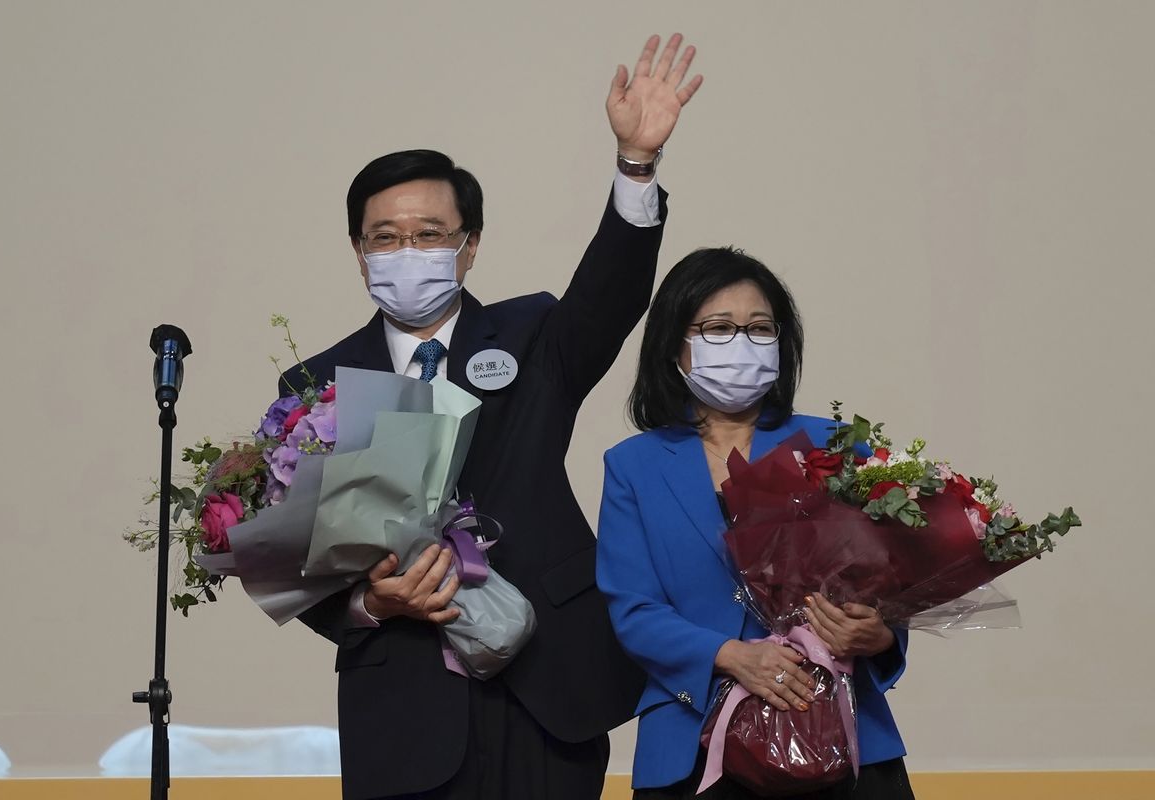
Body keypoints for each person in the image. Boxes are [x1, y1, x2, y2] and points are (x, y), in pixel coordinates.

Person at [279, 34, 703, 800]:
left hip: (548, 683)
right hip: (403, 698)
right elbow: (297, 562)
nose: (409, 252)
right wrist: (372, 601)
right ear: (359, 252)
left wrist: (635, 168)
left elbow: (609, 297)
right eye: (387, 238)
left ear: (469, 247)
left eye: (431, 234)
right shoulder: (314, 385)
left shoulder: (533, 335)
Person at [596, 247, 915, 799]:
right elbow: (633, 608)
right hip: (692, 745)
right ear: (676, 342)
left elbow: (886, 583)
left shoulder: (836, 446)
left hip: (838, 732)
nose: (741, 343)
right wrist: (731, 656)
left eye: (759, 328)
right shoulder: (633, 465)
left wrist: (879, 633)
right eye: (719, 328)